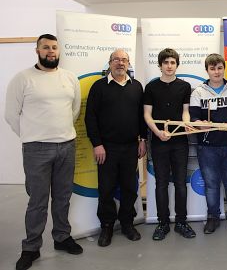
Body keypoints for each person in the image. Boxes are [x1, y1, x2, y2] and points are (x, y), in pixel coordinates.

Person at [5, 34, 83, 270]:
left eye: (54, 47)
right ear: (37, 51)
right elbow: (11, 115)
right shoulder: (23, 78)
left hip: (67, 146)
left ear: (59, 51)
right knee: (37, 201)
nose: (51, 51)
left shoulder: (69, 78)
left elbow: (75, 110)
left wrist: (60, 133)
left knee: (62, 197)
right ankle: (31, 247)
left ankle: (61, 237)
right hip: (36, 149)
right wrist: (32, 136)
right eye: (46, 47)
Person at [84, 49, 147, 247]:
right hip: (107, 149)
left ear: (128, 64)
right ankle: (107, 226)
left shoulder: (136, 86)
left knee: (129, 188)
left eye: (124, 60)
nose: (120, 63)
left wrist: (143, 139)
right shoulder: (99, 87)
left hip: (130, 147)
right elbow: (90, 118)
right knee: (106, 189)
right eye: (116, 60)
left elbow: (141, 117)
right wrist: (97, 144)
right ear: (110, 63)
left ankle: (127, 223)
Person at [143, 48, 196, 240]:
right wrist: (157, 132)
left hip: (180, 142)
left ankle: (181, 222)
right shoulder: (151, 88)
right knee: (161, 184)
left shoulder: (184, 86)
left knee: (181, 183)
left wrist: (186, 122)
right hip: (159, 142)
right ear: (160, 65)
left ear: (177, 65)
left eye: (173, 62)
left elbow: (185, 112)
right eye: (166, 62)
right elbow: (147, 115)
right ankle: (162, 223)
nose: (169, 66)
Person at [189, 53, 227, 235]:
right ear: (207, 70)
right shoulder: (198, 92)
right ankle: (213, 217)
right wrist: (199, 123)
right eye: (212, 68)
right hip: (207, 148)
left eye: (219, 68)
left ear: (224, 68)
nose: (216, 71)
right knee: (211, 185)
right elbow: (194, 118)